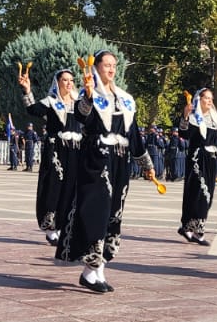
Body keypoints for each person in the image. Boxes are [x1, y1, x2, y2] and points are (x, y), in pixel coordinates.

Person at [58, 50, 153, 293]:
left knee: (113, 213)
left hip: (120, 161)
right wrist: (88, 96)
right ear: (97, 68)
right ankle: (91, 270)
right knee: (96, 212)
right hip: (96, 159)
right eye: (106, 65)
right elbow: (82, 116)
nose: (110, 69)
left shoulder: (125, 99)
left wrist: (146, 165)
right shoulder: (90, 93)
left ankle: (98, 268)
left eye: (113, 65)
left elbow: (133, 135)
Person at [23, 68, 83, 245]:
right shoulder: (50, 102)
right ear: (57, 83)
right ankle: (50, 227)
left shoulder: (79, 103)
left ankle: (64, 226)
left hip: (75, 151)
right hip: (56, 149)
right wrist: (27, 90)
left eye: (71, 80)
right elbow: (33, 110)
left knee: (71, 188)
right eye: (65, 80)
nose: (69, 83)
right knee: (53, 185)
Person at [177, 88, 217, 246]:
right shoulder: (193, 118)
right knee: (198, 193)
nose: (210, 101)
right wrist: (185, 115)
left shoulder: (213, 119)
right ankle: (194, 229)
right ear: (199, 99)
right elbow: (183, 134)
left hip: (211, 159)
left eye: (212, 98)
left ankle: (193, 227)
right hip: (198, 159)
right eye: (207, 98)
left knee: (208, 195)